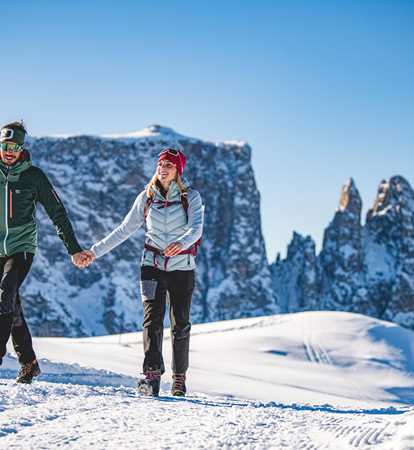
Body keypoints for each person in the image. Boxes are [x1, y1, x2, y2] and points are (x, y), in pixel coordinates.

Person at [81, 145, 204, 397]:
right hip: (151, 265)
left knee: (180, 323)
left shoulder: (190, 197)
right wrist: (94, 251)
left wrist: (181, 243)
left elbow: (196, 228)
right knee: (152, 319)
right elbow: (124, 229)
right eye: (160, 164)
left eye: (168, 165)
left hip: (182, 268)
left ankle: (179, 378)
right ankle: (151, 376)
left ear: (178, 170)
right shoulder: (147, 197)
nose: (162, 168)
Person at [0, 121, 88, 383]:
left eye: (14, 147)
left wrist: (73, 249)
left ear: (22, 148)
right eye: (5, 145)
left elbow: (57, 213)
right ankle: (29, 363)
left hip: (21, 247)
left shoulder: (34, 176)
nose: (9, 151)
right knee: (11, 303)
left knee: (5, 292)